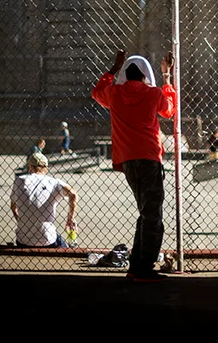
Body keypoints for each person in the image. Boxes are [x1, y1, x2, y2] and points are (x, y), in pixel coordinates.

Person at [91, 49, 176, 283]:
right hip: (149, 157)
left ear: (125, 76)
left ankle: (136, 266)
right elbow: (169, 110)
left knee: (145, 212)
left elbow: (96, 92)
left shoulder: (114, 94)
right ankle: (144, 267)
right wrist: (167, 77)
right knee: (153, 214)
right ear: (145, 77)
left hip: (127, 160)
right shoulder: (152, 93)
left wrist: (114, 67)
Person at [11, 152, 78, 248]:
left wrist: (23, 221)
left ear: (30, 167)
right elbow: (73, 194)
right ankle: (72, 246)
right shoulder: (54, 182)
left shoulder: (19, 180)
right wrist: (70, 218)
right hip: (47, 240)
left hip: (23, 240)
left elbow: (13, 207)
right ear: (46, 168)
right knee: (66, 246)